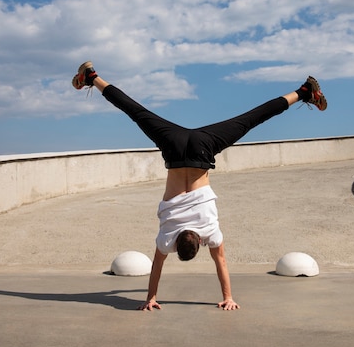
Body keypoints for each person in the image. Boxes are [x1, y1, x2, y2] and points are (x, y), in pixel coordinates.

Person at [72, 62, 327, 311]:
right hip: (173, 145)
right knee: (135, 111)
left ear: (200, 243)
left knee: (251, 119)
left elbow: (222, 263)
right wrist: (151, 297)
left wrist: (228, 297)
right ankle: (92, 77)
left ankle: (303, 92)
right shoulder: (166, 238)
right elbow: (156, 267)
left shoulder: (209, 231)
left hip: (204, 147)